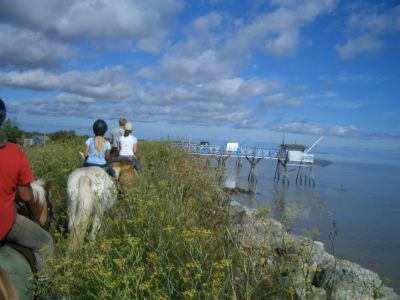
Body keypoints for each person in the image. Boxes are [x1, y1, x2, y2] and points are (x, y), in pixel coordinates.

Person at [0, 98, 53, 276]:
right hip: (4, 223)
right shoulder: (14, 152)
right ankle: (48, 290)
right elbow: (25, 197)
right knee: (46, 242)